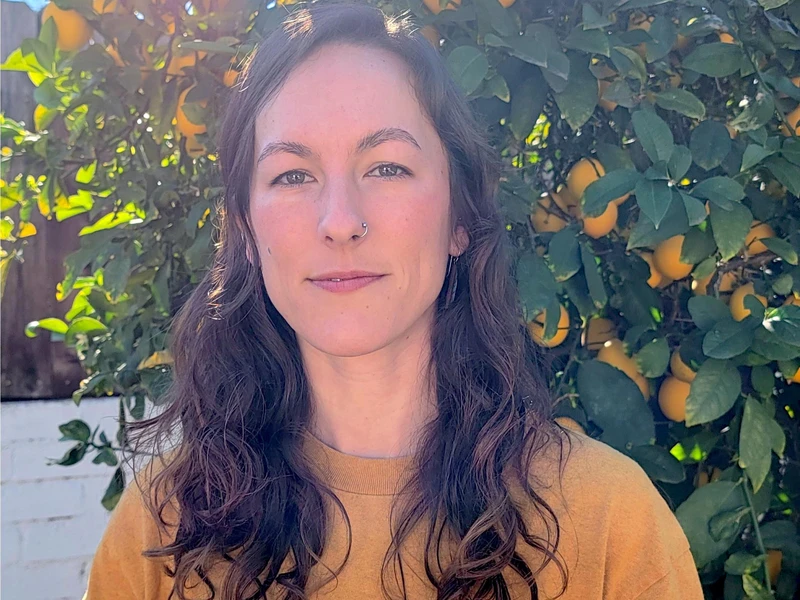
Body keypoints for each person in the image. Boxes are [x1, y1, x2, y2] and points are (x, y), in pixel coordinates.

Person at [82, 2, 704, 599]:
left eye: (386, 167)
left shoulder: (610, 526)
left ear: (460, 216)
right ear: (246, 230)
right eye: (292, 175)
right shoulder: (163, 532)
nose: (340, 221)